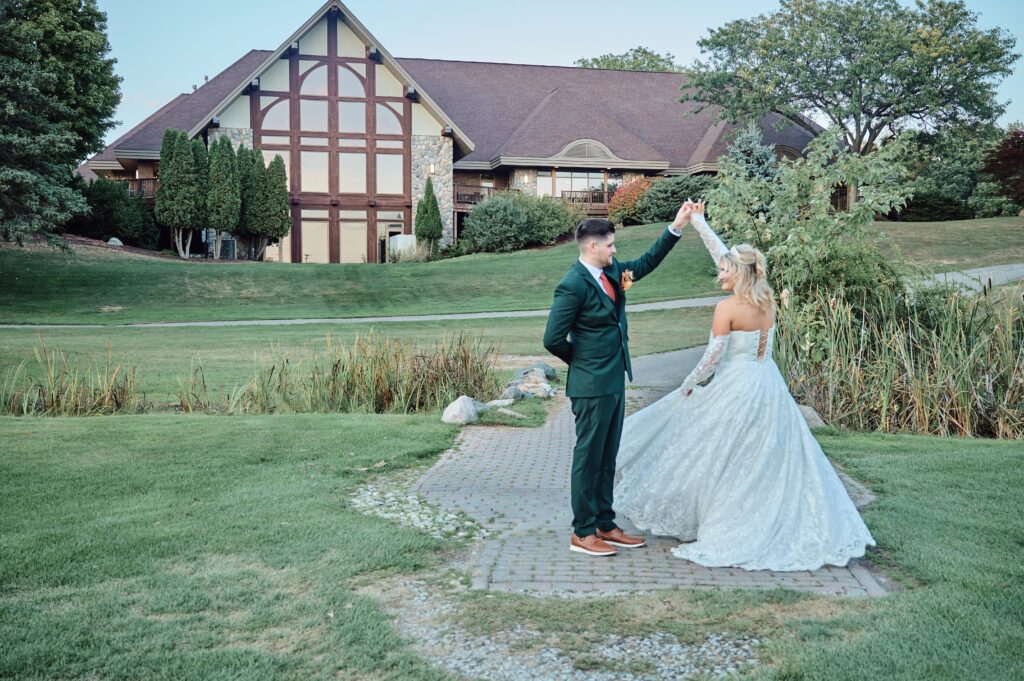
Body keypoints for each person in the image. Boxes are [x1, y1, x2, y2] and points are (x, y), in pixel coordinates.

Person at [615, 201, 875, 571]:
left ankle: (730, 522)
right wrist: (699, 223)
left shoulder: (727, 308)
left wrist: (688, 385)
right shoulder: (766, 299)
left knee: (723, 454)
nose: (718, 275)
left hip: (736, 386)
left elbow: (712, 359)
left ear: (738, 273)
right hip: (768, 383)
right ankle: (762, 513)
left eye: (724, 271)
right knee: (763, 454)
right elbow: (728, 258)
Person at [543, 207, 688, 557]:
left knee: (608, 457)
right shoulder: (572, 285)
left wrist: (676, 227)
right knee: (588, 458)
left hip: (614, 380)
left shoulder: (612, 271)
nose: (614, 250)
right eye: (610, 245)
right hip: (590, 385)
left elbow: (647, 263)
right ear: (592, 246)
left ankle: (605, 524)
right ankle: (582, 532)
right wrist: (583, 363)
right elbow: (552, 338)